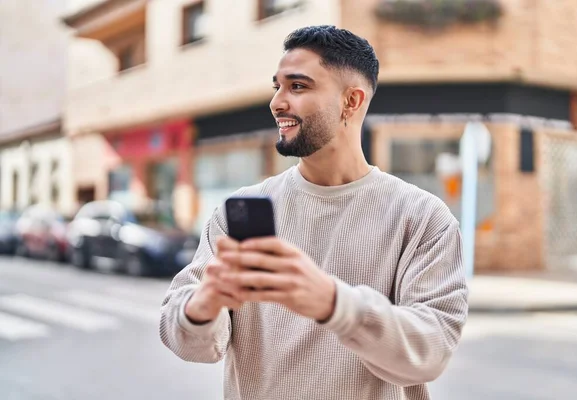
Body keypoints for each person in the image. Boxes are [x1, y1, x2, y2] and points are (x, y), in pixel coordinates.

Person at [160, 25, 468, 400]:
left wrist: (332, 302)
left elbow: (430, 353)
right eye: (277, 86)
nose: (277, 102)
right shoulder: (238, 210)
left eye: (298, 86)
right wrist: (203, 304)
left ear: (351, 102)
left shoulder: (422, 218)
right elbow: (192, 343)